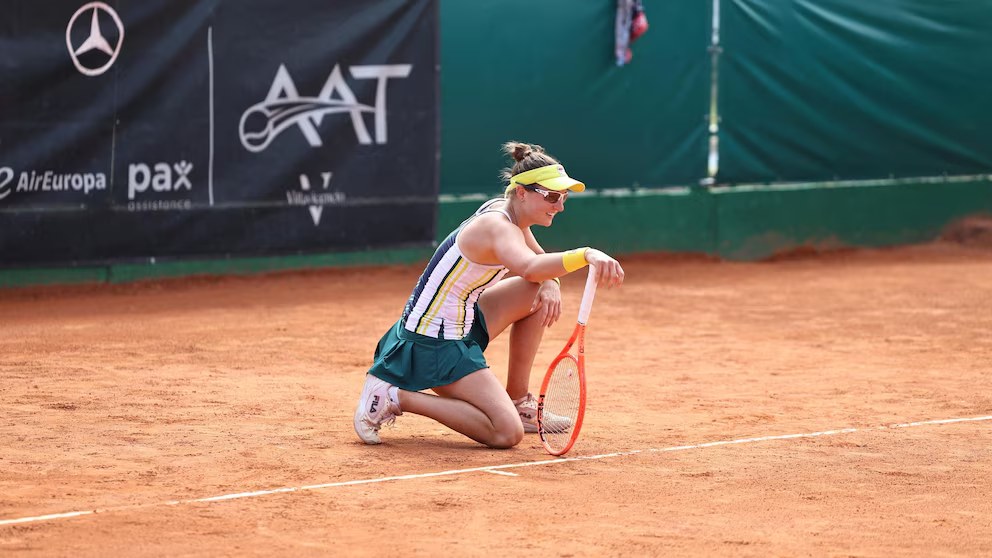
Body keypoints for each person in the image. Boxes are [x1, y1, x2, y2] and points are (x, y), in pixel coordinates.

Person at [353, 141, 625, 448]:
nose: (559, 205)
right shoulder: (498, 227)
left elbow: (536, 263)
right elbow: (531, 266)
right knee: (506, 433)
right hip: (434, 343)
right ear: (522, 192)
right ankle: (393, 396)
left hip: (459, 321)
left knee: (536, 292)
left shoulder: (507, 211)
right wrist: (586, 254)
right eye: (551, 196)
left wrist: (551, 282)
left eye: (563, 197)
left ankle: (519, 400)